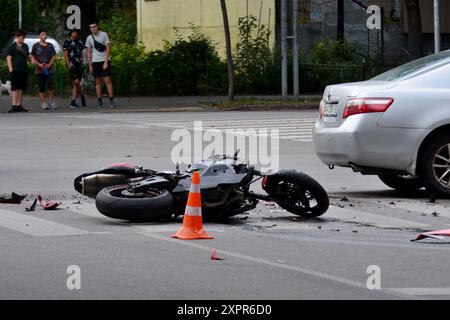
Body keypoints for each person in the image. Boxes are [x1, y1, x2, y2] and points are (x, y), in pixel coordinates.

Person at [86, 22, 116, 108]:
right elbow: (89, 53)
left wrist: (106, 62)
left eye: (94, 27)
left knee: (107, 80)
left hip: (104, 60)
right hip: (95, 62)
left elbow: (108, 48)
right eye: (91, 27)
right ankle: (99, 101)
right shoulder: (89, 38)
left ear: (97, 27)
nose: (92, 28)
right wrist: (90, 65)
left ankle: (111, 100)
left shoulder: (104, 35)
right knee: (97, 81)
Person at [31, 29, 58, 110]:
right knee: (41, 86)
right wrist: (39, 64)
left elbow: (54, 56)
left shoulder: (50, 45)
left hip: (49, 68)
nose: (44, 35)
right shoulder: (35, 45)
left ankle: (51, 101)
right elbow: (33, 57)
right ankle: (43, 103)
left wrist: (49, 65)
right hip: (40, 69)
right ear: (39, 36)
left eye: (45, 34)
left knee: (50, 85)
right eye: (43, 34)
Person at [6, 29, 30, 113]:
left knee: (20, 88)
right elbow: (9, 58)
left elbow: (27, 56)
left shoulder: (25, 46)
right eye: (21, 38)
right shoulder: (13, 46)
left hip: (23, 70)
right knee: (15, 88)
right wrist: (11, 69)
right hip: (15, 70)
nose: (23, 40)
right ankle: (14, 105)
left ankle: (19, 105)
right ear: (17, 37)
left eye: (24, 38)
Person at [63, 29, 87, 109]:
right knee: (76, 81)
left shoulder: (80, 42)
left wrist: (83, 62)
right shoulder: (67, 42)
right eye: (73, 32)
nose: (75, 34)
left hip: (79, 64)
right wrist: (68, 64)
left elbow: (82, 53)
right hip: (71, 64)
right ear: (71, 33)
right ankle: (81, 95)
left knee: (75, 84)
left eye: (76, 32)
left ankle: (73, 102)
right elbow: (65, 54)